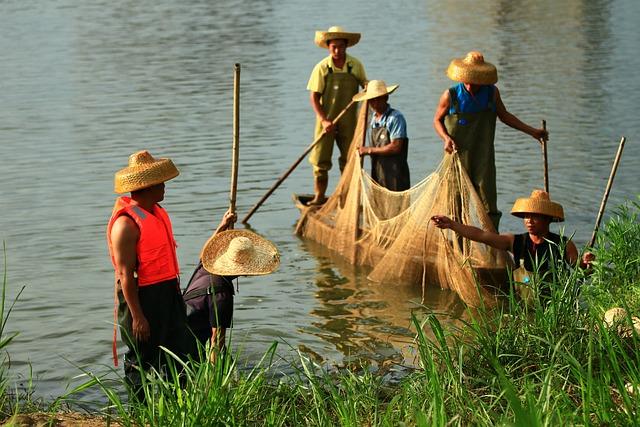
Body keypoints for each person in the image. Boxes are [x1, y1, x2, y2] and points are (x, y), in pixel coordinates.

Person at [106, 150, 195, 400]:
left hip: (167, 291)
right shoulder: (126, 225)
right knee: (141, 357)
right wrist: (137, 317)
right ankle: (139, 412)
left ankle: (177, 406)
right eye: (160, 183)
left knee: (178, 352)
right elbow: (125, 273)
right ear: (147, 186)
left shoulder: (157, 213)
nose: (165, 187)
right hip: (141, 297)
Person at [433, 51, 548, 230]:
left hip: (483, 157)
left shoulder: (491, 93)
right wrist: (446, 138)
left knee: (488, 204)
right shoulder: (451, 95)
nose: (471, 84)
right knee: (456, 203)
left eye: (476, 79)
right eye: (468, 79)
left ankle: (492, 247)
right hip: (456, 157)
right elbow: (437, 120)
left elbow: (505, 116)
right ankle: (459, 247)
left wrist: (532, 132)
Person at [431, 189, 594, 299]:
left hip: (553, 307)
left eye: (535, 216)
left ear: (548, 219)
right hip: (523, 305)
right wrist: (452, 224)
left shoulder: (563, 245)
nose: (529, 221)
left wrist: (588, 264)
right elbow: (481, 235)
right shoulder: (516, 242)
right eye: (526, 216)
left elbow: (582, 271)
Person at [183, 219, 280, 363]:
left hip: (177, 328)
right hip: (186, 348)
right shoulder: (222, 295)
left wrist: (222, 225)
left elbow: (204, 254)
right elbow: (216, 342)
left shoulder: (207, 266)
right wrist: (215, 377)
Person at [307, 25, 368, 205]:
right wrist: (324, 120)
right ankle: (319, 196)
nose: (337, 50)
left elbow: (364, 83)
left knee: (349, 159)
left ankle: (346, 198)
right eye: (333, 46)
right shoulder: (322, 68)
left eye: (340, 46)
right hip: (326, 121)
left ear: (346, 46)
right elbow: (314, 97)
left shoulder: (354, 65)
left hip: (348, 120)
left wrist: (367, 86)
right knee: (320, 161)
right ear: (328, 47)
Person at [355, 79, 410, 191]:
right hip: (378, 172)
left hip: (396, 174)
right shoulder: (372, 119)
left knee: (397, 206)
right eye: (372, 100)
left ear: (386, 98)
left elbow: (396, 147)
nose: (375, 103)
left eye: (378, 99)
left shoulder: (395, 118)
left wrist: (369, 150)